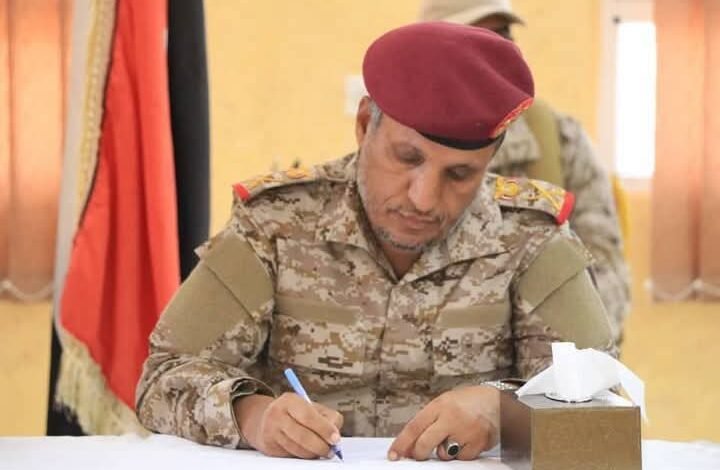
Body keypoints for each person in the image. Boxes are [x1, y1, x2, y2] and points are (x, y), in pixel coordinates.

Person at [136, 22, 614, 462]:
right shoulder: (277, 222)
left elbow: (602, 404)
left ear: (491, 160)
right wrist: (253, 415)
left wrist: (503, 409)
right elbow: (163, 376)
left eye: (459, 175)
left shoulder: (531, 237)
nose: (424, 198)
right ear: (365, 124)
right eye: (407, 158)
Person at [419, 0, 631, 346]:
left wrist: (568, 358)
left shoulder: (557, 138)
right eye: (473, 39)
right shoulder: (399, 145)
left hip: (545, 359)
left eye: (502, 36)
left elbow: (604, 272)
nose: (492, 53)